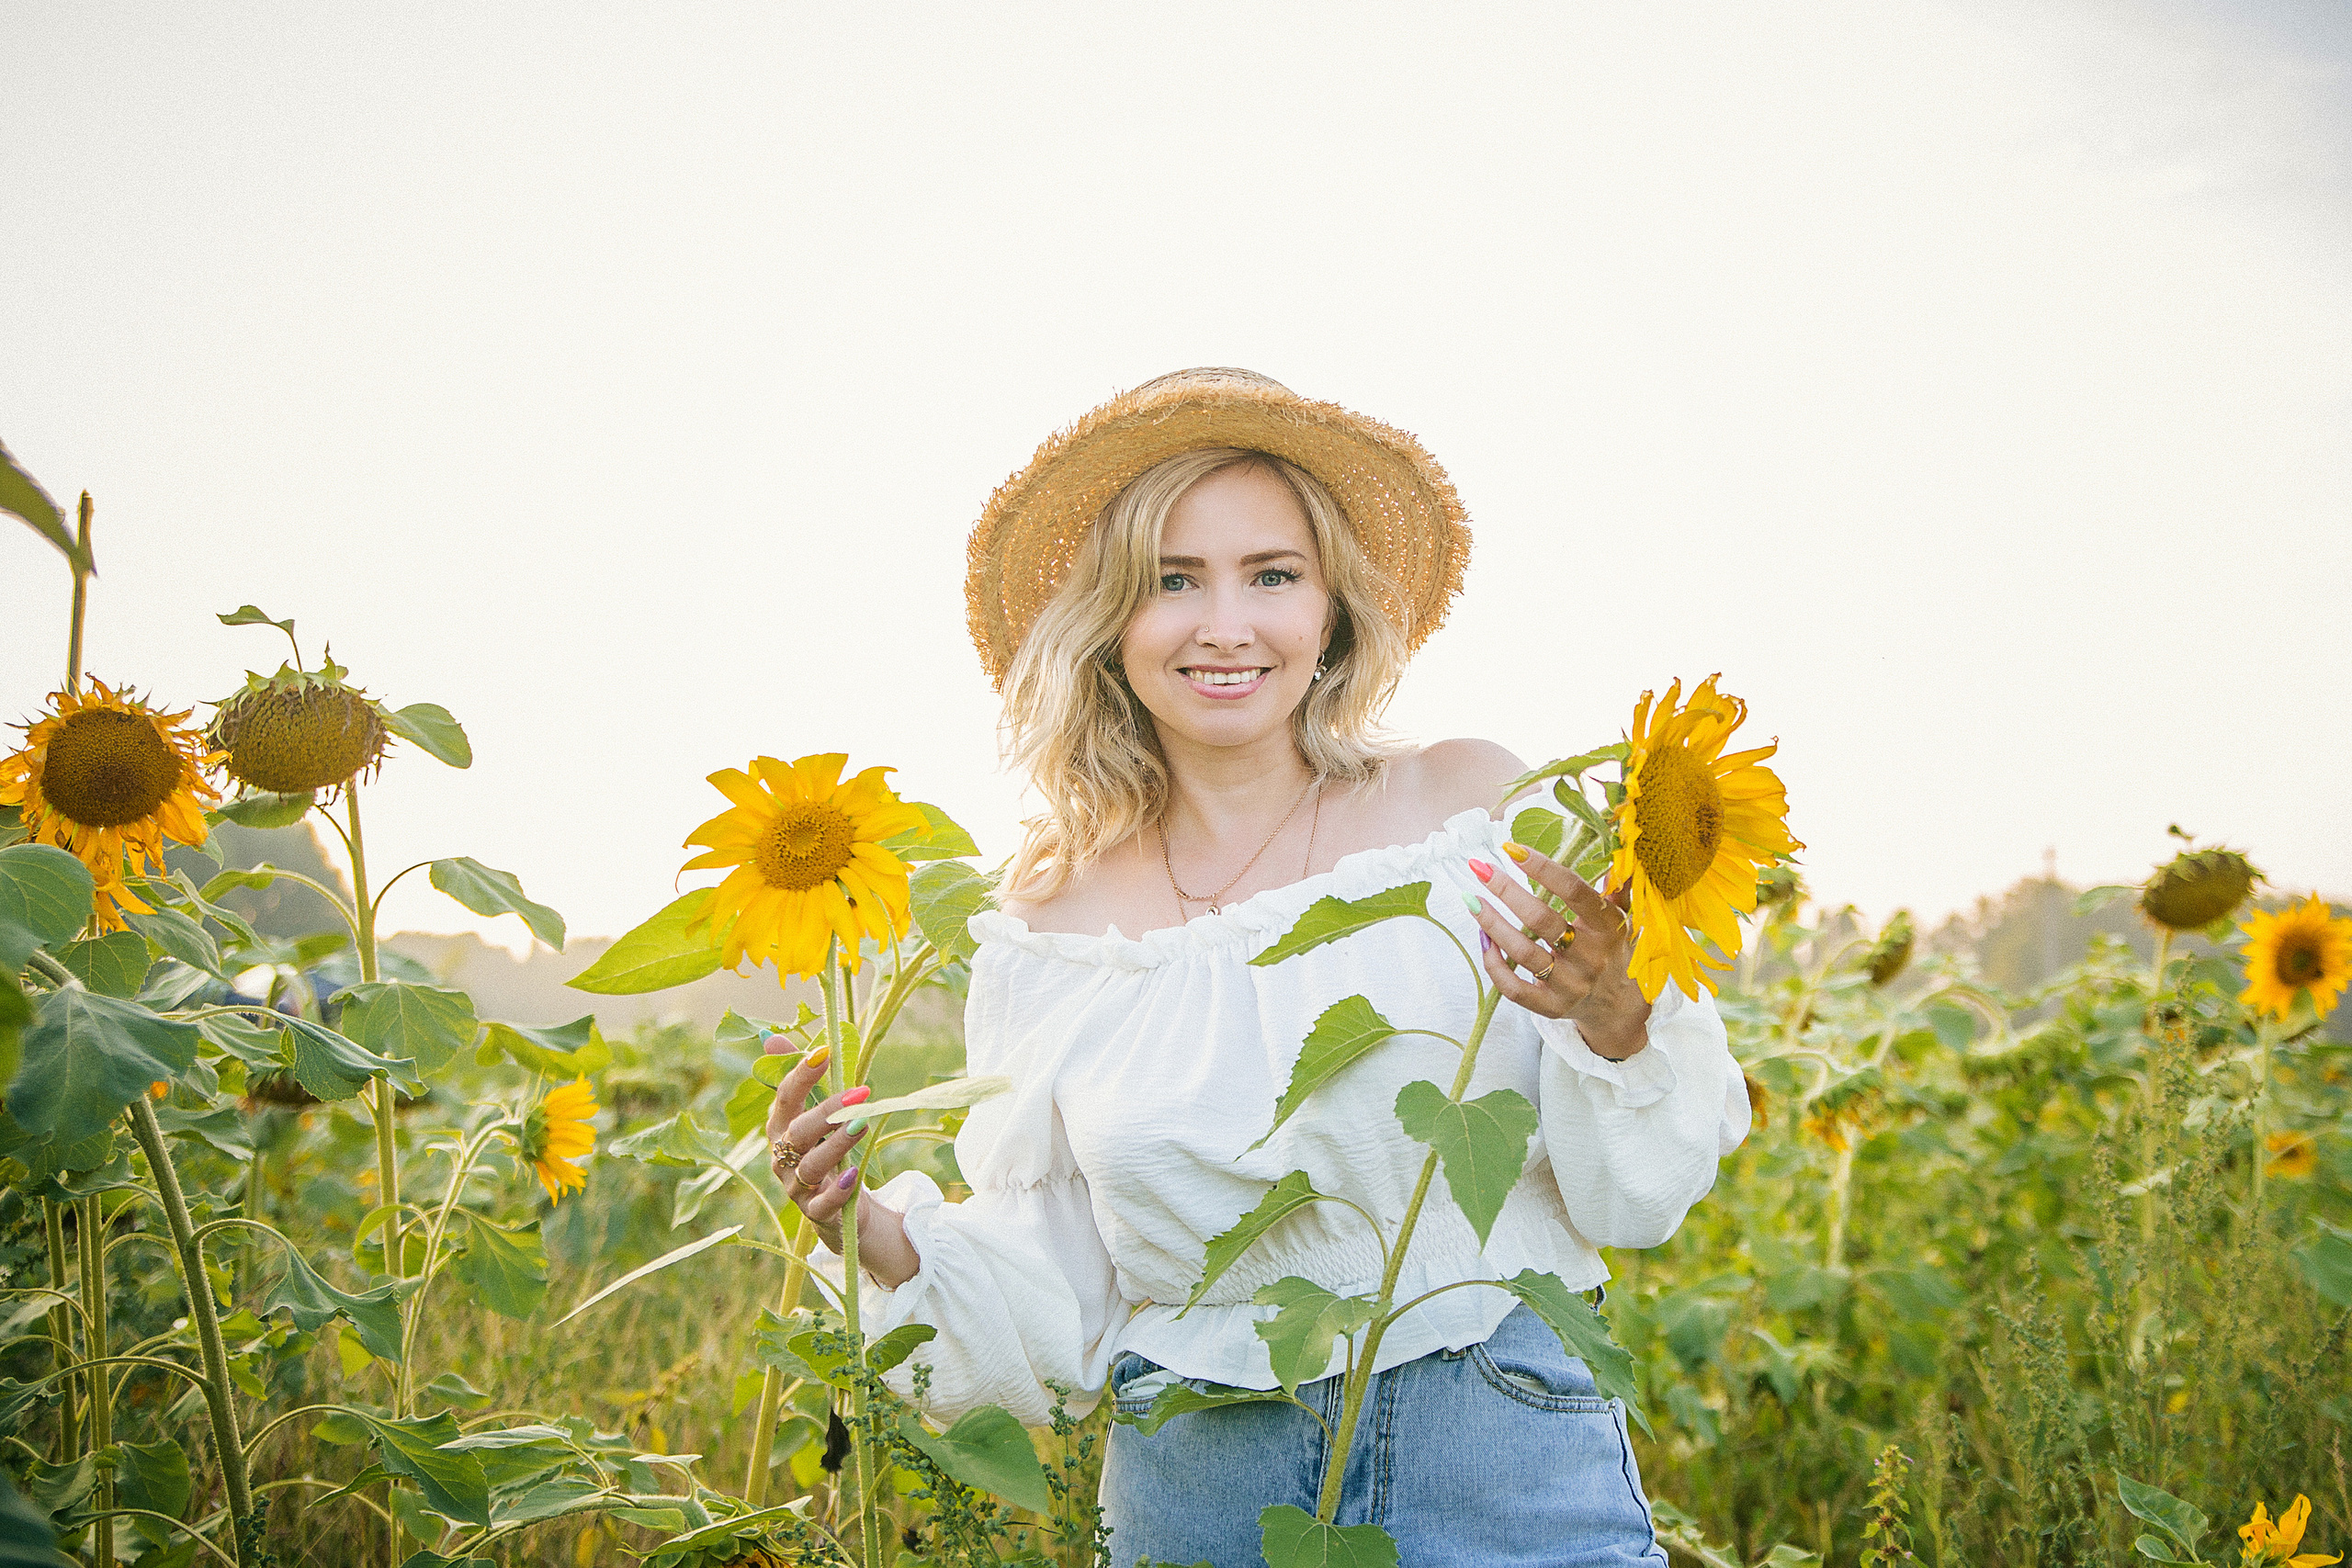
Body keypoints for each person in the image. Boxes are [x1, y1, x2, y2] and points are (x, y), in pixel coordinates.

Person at [761, 368, 1749, 1565]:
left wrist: (1615, 1013)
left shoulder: (1469, 809)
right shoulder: (1055, 929)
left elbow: (1635, 1197)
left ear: (1332, 610)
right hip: (1202, 1480)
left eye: (1271, 575)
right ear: (1110, 620)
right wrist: (862, 1222)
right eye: (1173, 581)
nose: (1225, 624)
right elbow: (1060, 1310)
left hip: (1497, 1445)